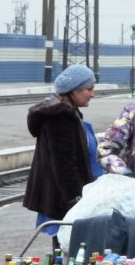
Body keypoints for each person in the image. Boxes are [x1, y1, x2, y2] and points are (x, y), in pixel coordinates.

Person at [23, 64, 99, 251]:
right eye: (89, 89)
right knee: (67, 251)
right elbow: (64, 164)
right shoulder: (61, 117)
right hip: (63, 200)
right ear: (75, 89)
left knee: (63, 249)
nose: (92, 94)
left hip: (60, 197)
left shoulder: (64, 112)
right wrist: (75, 200)